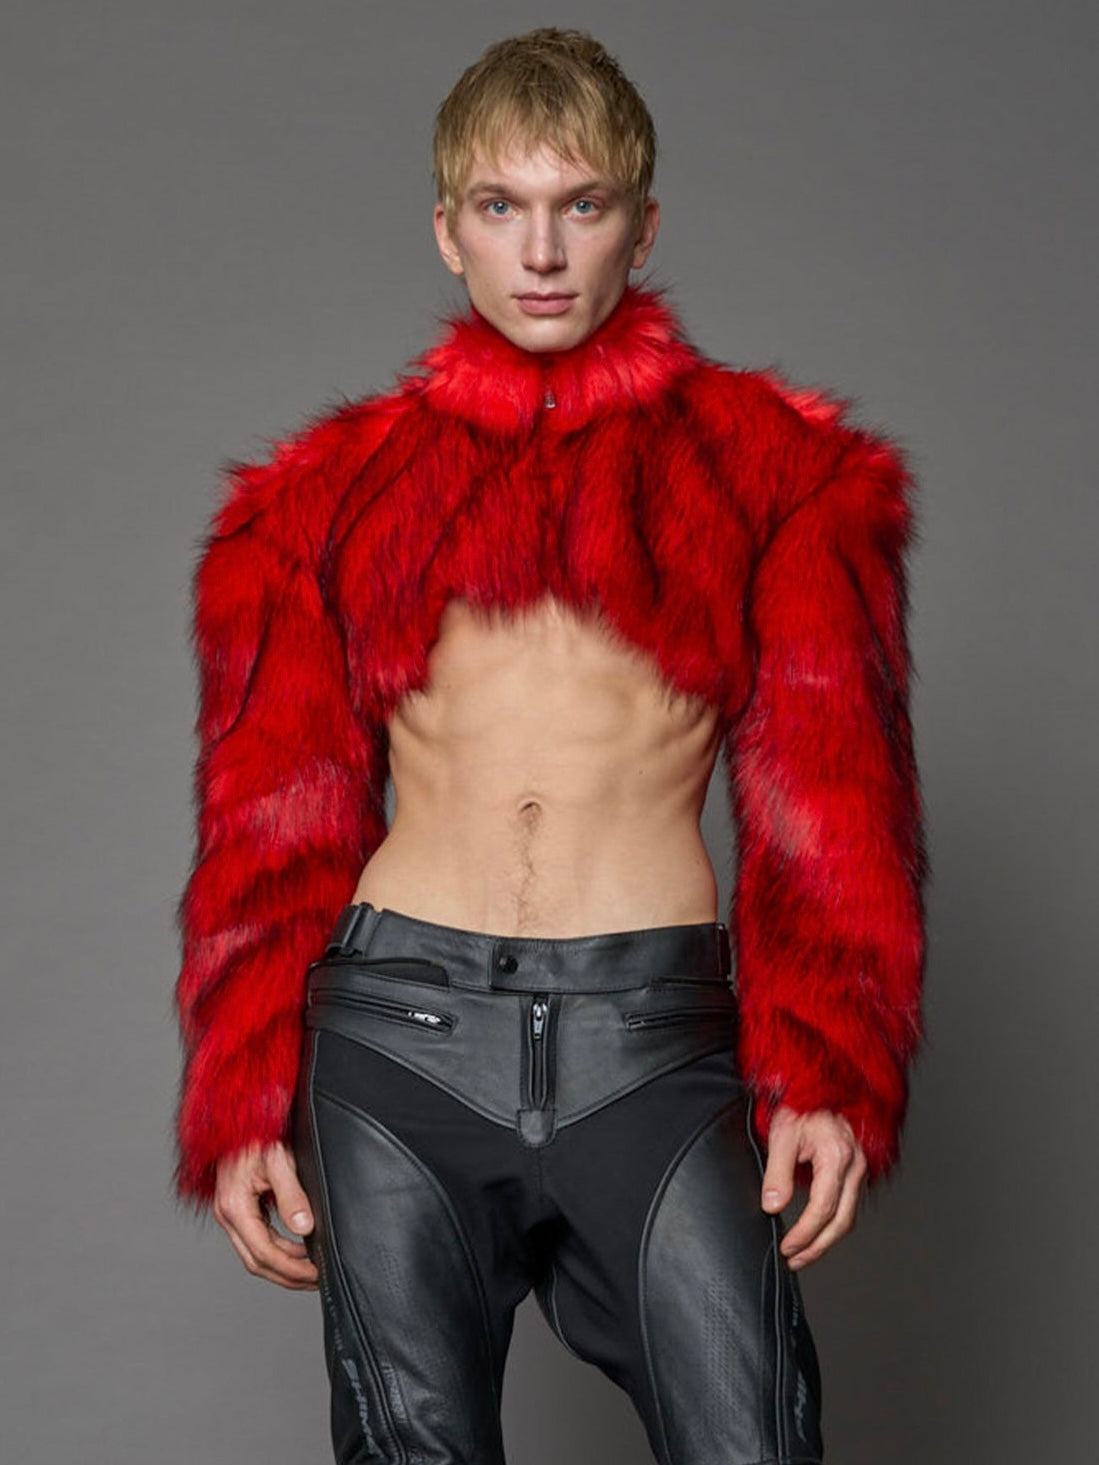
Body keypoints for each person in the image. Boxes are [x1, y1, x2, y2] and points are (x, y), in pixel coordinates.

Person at [173, 26, 927, 1465]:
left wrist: (828, 1070)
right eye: (501, 206)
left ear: (643, 227)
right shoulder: (323, 500)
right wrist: (241, 1091)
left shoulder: (785, 479)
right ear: (445, 230)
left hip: (652, 1049)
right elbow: (273, 817)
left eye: (581, 205)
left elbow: (834, 803)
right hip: (397, 1043)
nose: (541, 251)